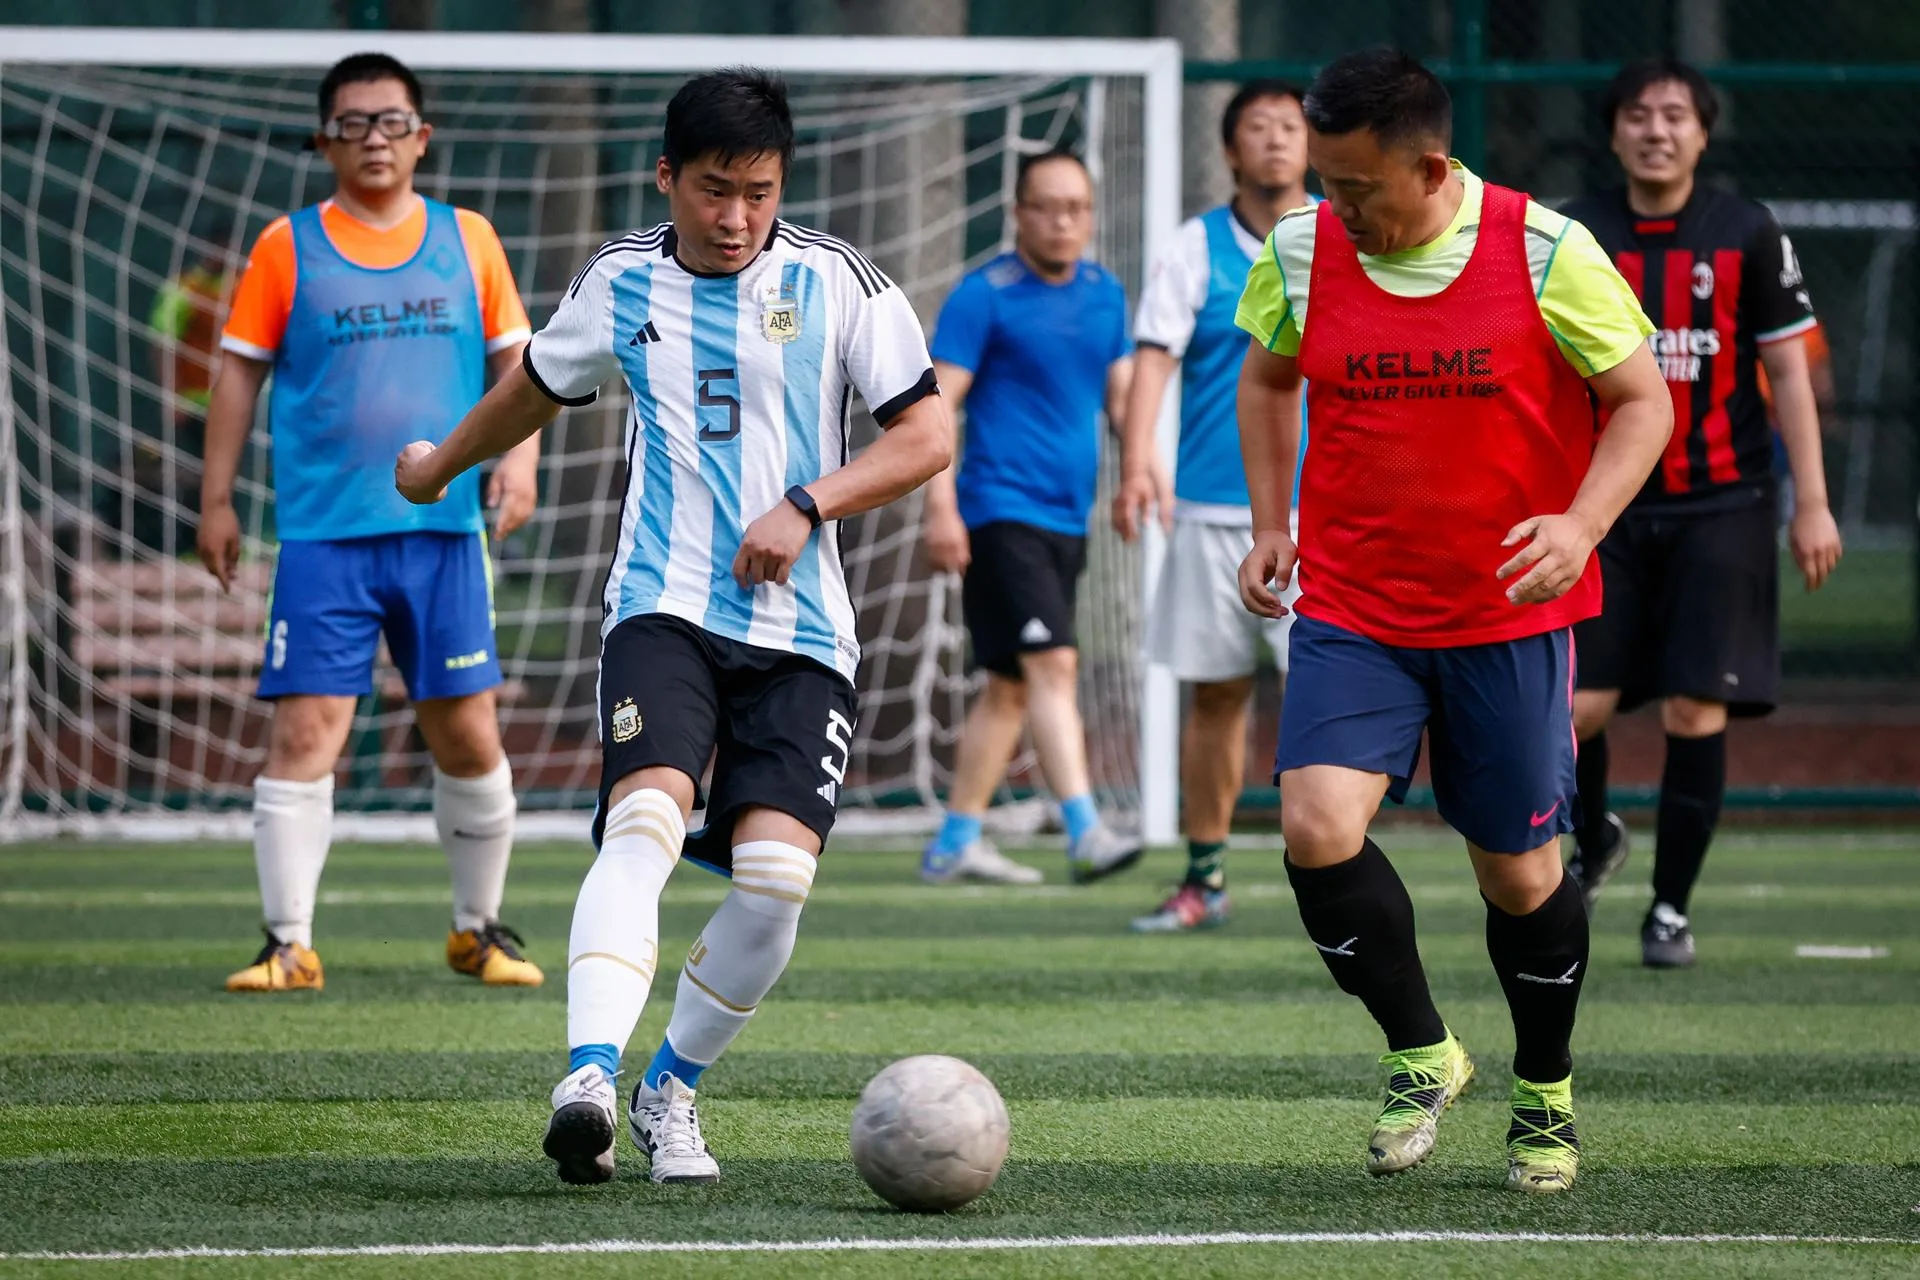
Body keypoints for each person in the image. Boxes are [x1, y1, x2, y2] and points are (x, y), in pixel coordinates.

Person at [394, 68, 952, 1186]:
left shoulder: (841, 283)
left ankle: (669, 1091)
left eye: (758, 191)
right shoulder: (620, 281)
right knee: (644, 816)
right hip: (665, 604)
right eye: (712, 190)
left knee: (777, 883)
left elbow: (926, 436)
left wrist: (806, 504)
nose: (736, 216)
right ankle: (587, 1078)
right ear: (667, 177)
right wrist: (441, 465)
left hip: (804, 634)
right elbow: (535, 386)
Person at [1234, 50, 1673, 1193]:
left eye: (1358, 187)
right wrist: (1269, 519)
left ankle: (1546, 1096)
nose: (1337, 208)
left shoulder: (1545, 249)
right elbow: (1270, 378)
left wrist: (1579, 526)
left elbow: (1643, 402)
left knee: (1520, 875)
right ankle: (1424, 1051)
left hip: (1507, 617)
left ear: (1432, 167)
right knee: (1316, 824)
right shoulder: (1300, 249)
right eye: (1324, 183)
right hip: (1354, 605)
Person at [199, 52, 544, 993]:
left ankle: (478, 930)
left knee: (467, 734)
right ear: (325, 141)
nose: (375, 140)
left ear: (422, 138)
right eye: (353, 124)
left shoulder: (468, 238)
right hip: (321, 538)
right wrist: (217, 497)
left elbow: (523, 365)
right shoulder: (285, 246)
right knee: (308, 729)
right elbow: (237, 372)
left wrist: (520, 460)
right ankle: (288, 943)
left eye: (392, 122)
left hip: (443, 538)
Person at [1560, 59, 1843, 968]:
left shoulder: (1747, 231)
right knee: (1578, 710)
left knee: (1693, 709)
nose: (1656, 130)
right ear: (1613, 131)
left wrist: (1815, 504)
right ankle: (1595, 838)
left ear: (1703, 132)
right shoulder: (1574, 233)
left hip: (1725, 503)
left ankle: (1670, 910)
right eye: (1638, 115)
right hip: (1604, 508)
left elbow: (1791, 372)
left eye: (1675, 115)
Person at [1114, 81, 1312, 933]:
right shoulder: (1194, 247)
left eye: (1290, 128)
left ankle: (1335, 871)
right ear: (1230, 150)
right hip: (1208, 507)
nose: (1274, 142)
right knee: (1217, 697)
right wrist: (1137, 462)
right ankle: (1206, 877)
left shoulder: (1338, 239)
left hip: (1327, 519)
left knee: (1331, 696)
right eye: (1257, 129)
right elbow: (1153, 360)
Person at [917, 148, 1143, 886]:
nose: (1063, 220)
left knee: (1011, 685)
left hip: (1066, 521)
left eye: (1077, 208)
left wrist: (1139, 473)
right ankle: (1084, 829)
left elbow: (1121, 400)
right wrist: (941, 507)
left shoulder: (1106, 294)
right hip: (997, 512)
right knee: (1054, 664)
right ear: (1018, 213)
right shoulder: (984, 295)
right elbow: (935, 407)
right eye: (1048, 206)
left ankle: (955, 841)